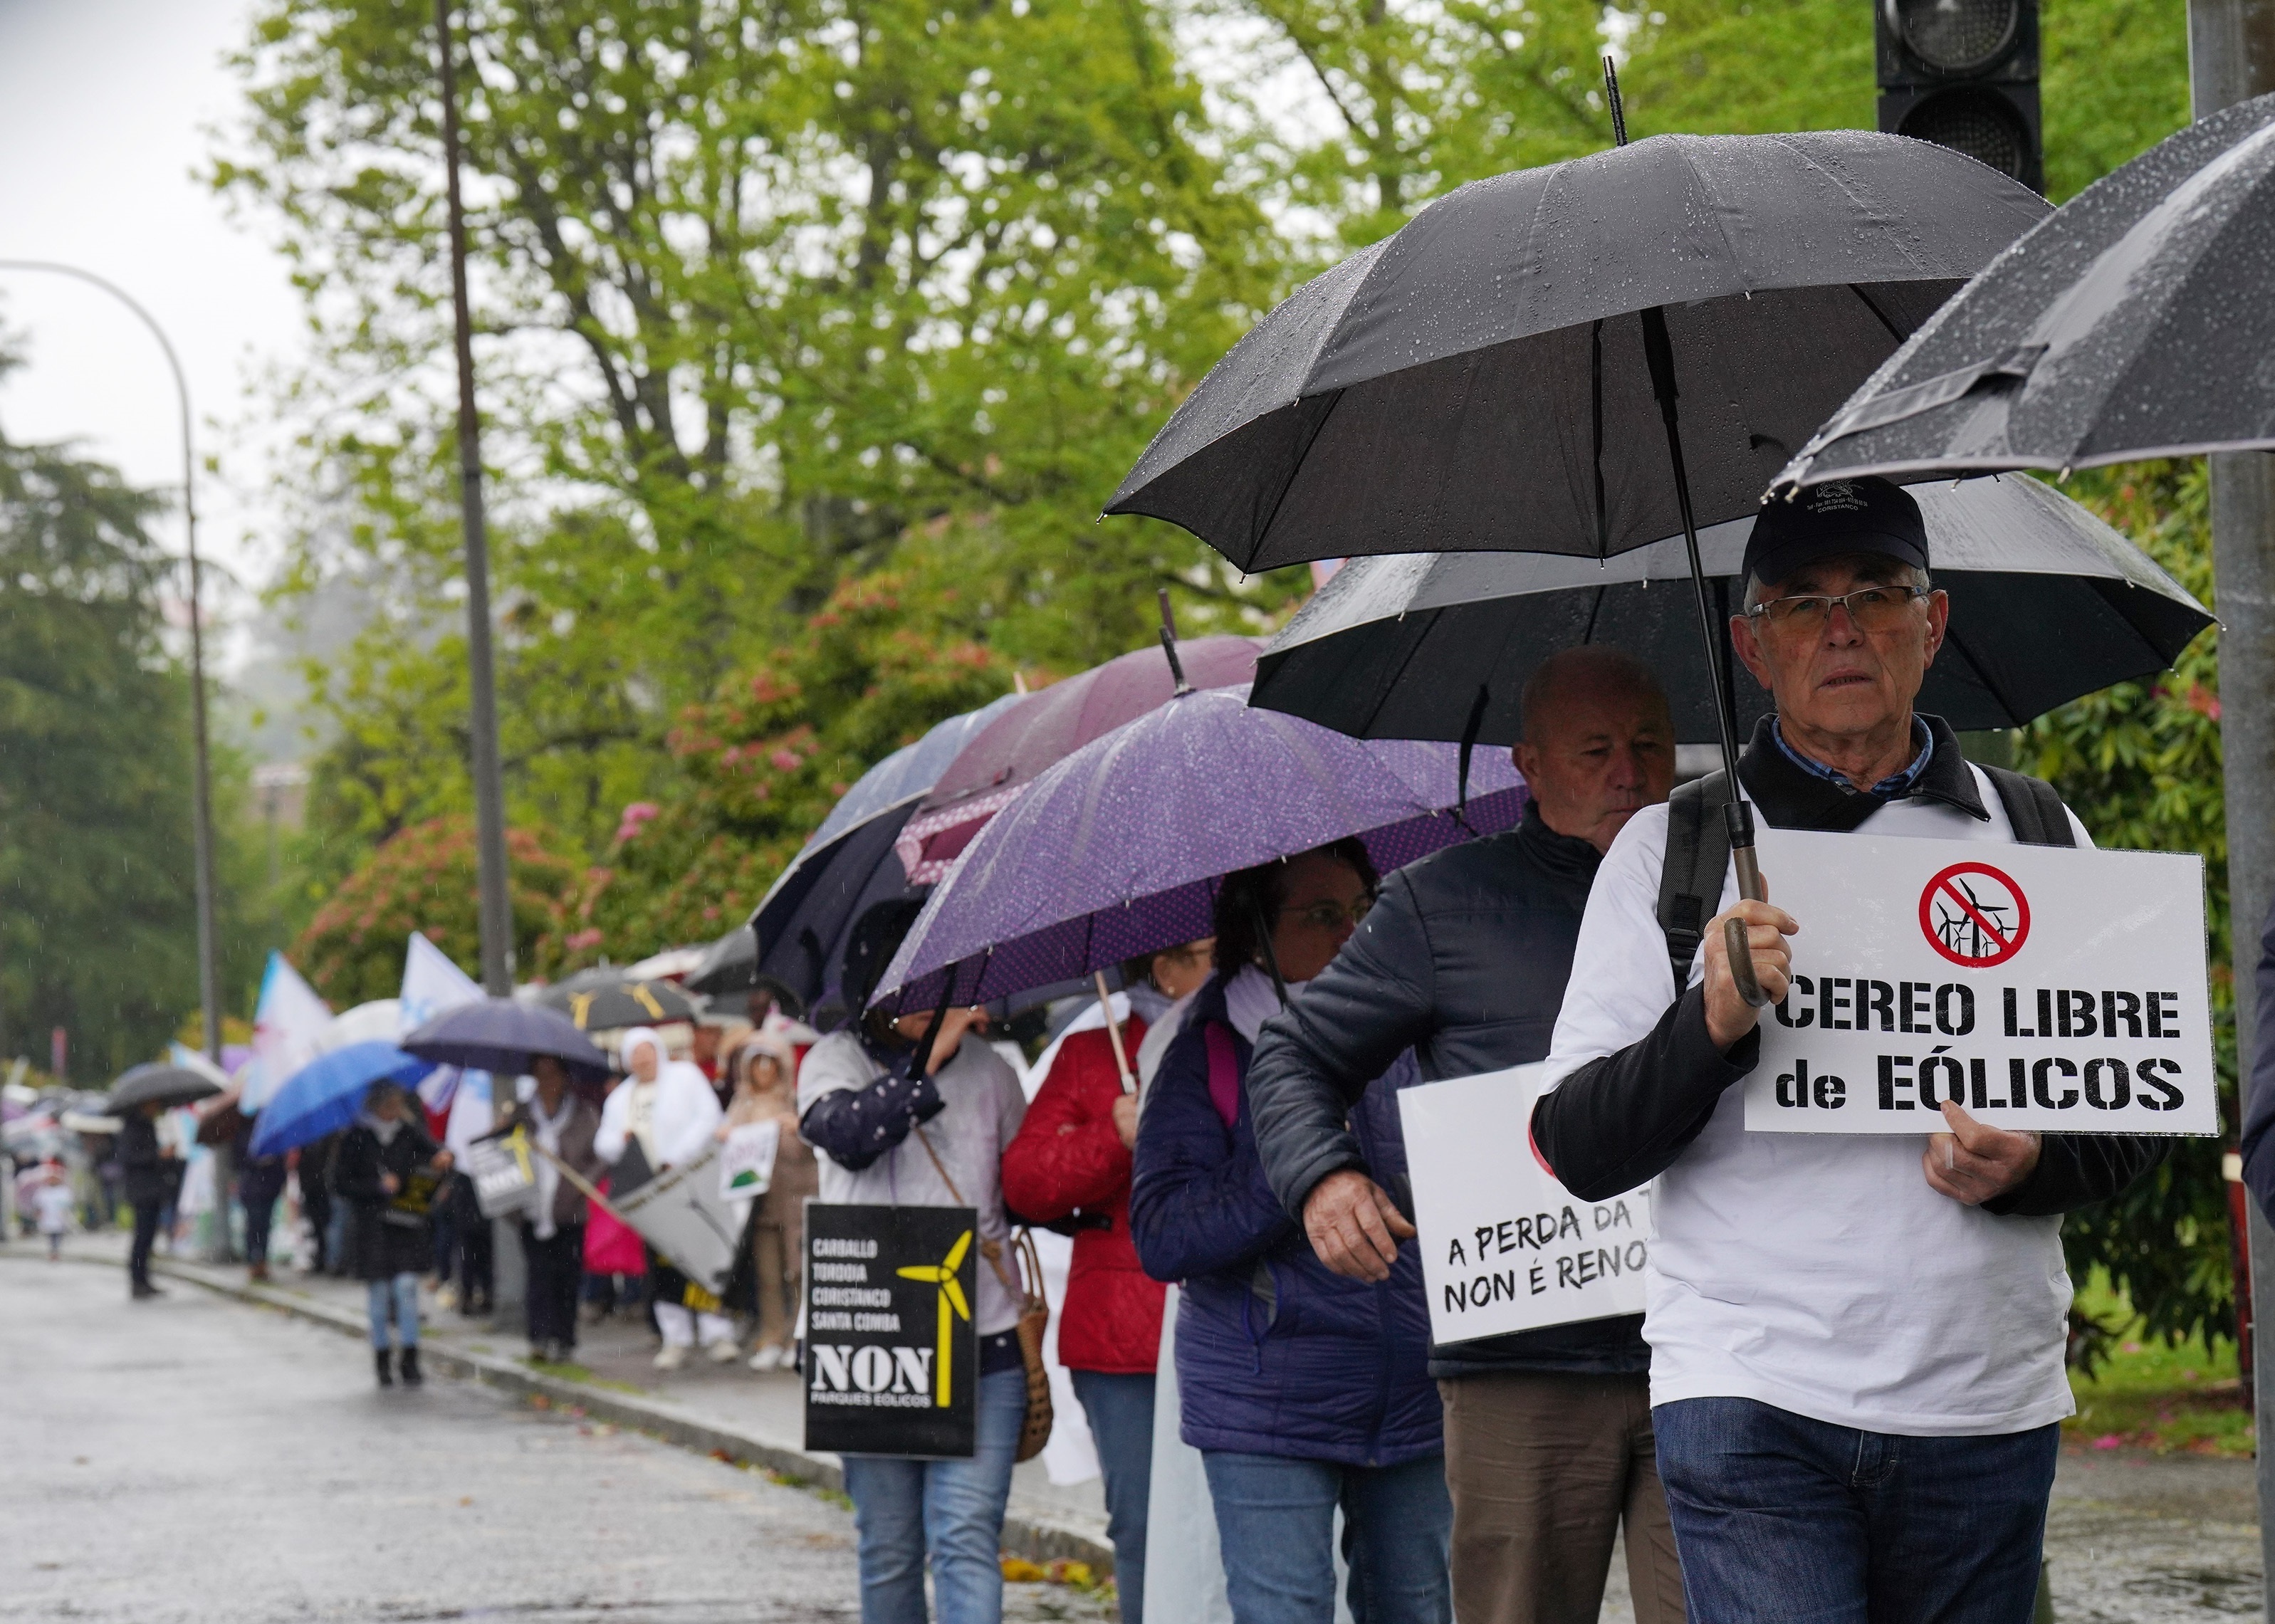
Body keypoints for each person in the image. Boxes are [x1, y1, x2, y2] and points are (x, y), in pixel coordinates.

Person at [1534, 477, 2167, 1623]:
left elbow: (2133, 1115)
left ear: (1929, 627)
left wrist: (2033, 1161)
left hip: (1984, 1405)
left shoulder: (2036, 832)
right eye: (1798, 605)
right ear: (1750, 646)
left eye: (1874, 596)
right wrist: (1709, 1022)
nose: (1838, 631)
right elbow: (1573, 1143)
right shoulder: (1668, 852)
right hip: (1750, 1398)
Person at [1247, 647, 1684, 1624]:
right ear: (1528, 765)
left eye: (1648, 744)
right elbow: (1290, 1058)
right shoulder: (1437, 902)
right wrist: (1323, 1179)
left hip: (1709, 1344)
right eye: (1594, 749)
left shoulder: (1738, 872)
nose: (1627, 769)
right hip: (1519, 1361)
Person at [1130, 841, 1451, 1624]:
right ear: (1255, 934)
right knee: (1287, 1611)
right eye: (1320, 915)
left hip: (1410, 1389)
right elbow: (1165, 1234)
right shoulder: (1205, 1049)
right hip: (1266, 1395)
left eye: (1361, 909)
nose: (1352, 932)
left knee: (1418, 1608)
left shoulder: (1410, 1021)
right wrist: (1303, 1159)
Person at [799, 899, 1030, 1624]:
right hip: (867, 1339)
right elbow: (852, 1134)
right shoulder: (831, 1059)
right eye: (912, 988)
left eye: (942, 982)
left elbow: (1024, 1188)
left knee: (964, 1537)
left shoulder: (994, 1073)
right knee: (891, 1546)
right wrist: (928, 1056)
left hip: (981, 1340)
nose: (931, 1003)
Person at [998, 940, 1212, 1624]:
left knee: (1235, 1519)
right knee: (1145, 1522)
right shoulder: (1092, 1054)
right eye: (1205, 954)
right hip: (1122, 1336)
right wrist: (1109, 1137)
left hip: (1235, 1315)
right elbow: (1026, 1185)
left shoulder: (1257, 1034)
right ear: (1164, 968)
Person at [595, 1025, 733, 1368]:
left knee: (702, 1258)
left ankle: (716, 1331)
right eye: (635, 1054)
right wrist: (622, 1143)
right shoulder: (620, 1098)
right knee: (663, 1265)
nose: (643, 1059)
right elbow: (605, 1143)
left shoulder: (685, 1077)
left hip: (690, 1184)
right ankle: (676, 1337)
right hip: (650, 1195)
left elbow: (707, 1118)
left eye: (647, 1051)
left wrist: (678, 1156)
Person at [332, 1081, 455, 1387]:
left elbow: (435, 1158)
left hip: (406, 1225)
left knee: (406, 1288)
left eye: (398, 1105)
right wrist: (375, 1187)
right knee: (378, 1295)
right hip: (372, 1228)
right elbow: (339, 1183)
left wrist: (442, 1160)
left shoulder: (410, 1133)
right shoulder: (356, 1138)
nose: (393, 1111)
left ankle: (411, 1357)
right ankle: (382, 1357)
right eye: (388, 1105)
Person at [491, 1055, 607, 1363]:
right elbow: (502, 1152)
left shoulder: (583, 1113)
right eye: (541, 1075)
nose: (548, 1082)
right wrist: (502, 1131)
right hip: (532, 1209)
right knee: (539, 1274)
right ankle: (539, 1336)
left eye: (553, 1075)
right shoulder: (521, 1114)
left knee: (567, 1276)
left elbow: (600, 1156)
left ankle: (565, 1338)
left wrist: (584, 1183)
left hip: (570, 1208)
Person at [717, 1030, 817, 1373]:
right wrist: (727, 1137)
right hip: (760, 1208)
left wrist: (798, 1130)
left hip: (796, 1201)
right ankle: (772, 1335)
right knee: (769, 1277)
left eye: (768, 1063)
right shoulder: (741, 1106)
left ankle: (798, 1338)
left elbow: (811, 1150)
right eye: (756, 1064)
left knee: (799, 1273)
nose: (763, 1071)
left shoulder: (795, 1102)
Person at [118, 1099, 177, 1299]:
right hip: (141, 1191)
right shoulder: (132, 1128)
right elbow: (130, 1159)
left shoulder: (148, 1125)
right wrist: (158, 1155)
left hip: (152, 1189)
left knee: (149, 1236)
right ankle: (137, 1280)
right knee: (142, 1237)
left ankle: (144, 1279)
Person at [234, 1118, 289, 1284]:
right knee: (254, 1226)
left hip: (269, 1189)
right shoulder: (244, 1134)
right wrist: (257, 1159)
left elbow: (280, 1163)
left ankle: (262, 1261)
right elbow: (239, 1161)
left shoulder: (273, 1133)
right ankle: (254, 1261)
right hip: (252, 1190)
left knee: (265, 1226)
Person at [33, 1158, 74, 1261]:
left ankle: (56, 1251)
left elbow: (68, 1203)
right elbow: (38, 1204)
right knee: (51, 1236)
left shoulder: (64, 1191)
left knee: (58, 1235)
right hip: (48, 1218)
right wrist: (38, 1213)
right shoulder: (43, 1191)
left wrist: (66, 1211)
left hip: (59, 1218)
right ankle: (53, 1251)